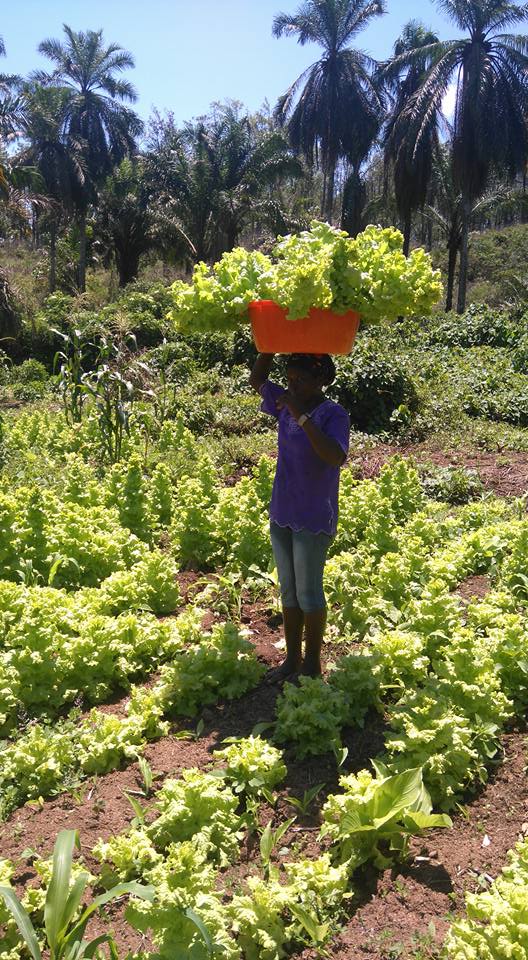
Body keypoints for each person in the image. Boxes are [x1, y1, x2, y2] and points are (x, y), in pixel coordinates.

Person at [249, 352, 350, 682]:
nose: (291, 386)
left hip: (313, 514)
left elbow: (334, 456)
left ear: (321, 381)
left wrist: (302, 417)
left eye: (300, 381)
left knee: (309, 593)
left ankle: (312, 664)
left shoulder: (332, 413)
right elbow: (258, 381)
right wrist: (267, 347)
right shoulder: (285, 400)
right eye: (289, 379)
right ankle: (291, 660)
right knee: (289, 592)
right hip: (282, 510)